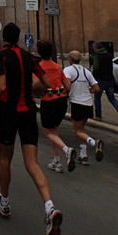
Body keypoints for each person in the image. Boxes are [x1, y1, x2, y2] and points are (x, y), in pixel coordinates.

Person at [0, 22, 63, 235]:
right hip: (28, 112)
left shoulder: (1, 56)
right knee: (32, 164)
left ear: (4, 38)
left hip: (9, 113)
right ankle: (49, 207)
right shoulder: (29, 57)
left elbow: (1, 86)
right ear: (17, 38)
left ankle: (5, 202)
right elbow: (45, 83)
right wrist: (28, 89)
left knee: (4, 159)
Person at [36, 40, 76, 173]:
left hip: (48, 100)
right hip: (61, 100)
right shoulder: (58, 67)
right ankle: (57, 162)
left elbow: (35, 84)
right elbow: (68, 86)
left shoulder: (38, 67)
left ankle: (66, 150)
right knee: (54, 130)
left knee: (47, 131)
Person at [63, 50, 104, 166]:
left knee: (76, 130)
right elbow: (96, 88)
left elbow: (67, 86)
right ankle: (83, 156)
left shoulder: (68, 70)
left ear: (70, 59)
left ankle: (94, 143)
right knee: (81, 130)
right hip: (88, 104)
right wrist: (87, 90)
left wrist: (66, 96)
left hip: (77, 103)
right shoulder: (86, 71)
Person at [91, 41, 118, 127]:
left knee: (97, 98)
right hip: (110, 79)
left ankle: (98, 115)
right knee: (112, 98)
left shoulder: (97, 56)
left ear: (96, 48)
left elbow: (95, 68)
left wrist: (93, 78)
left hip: (100, 80)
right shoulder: (108, 55)